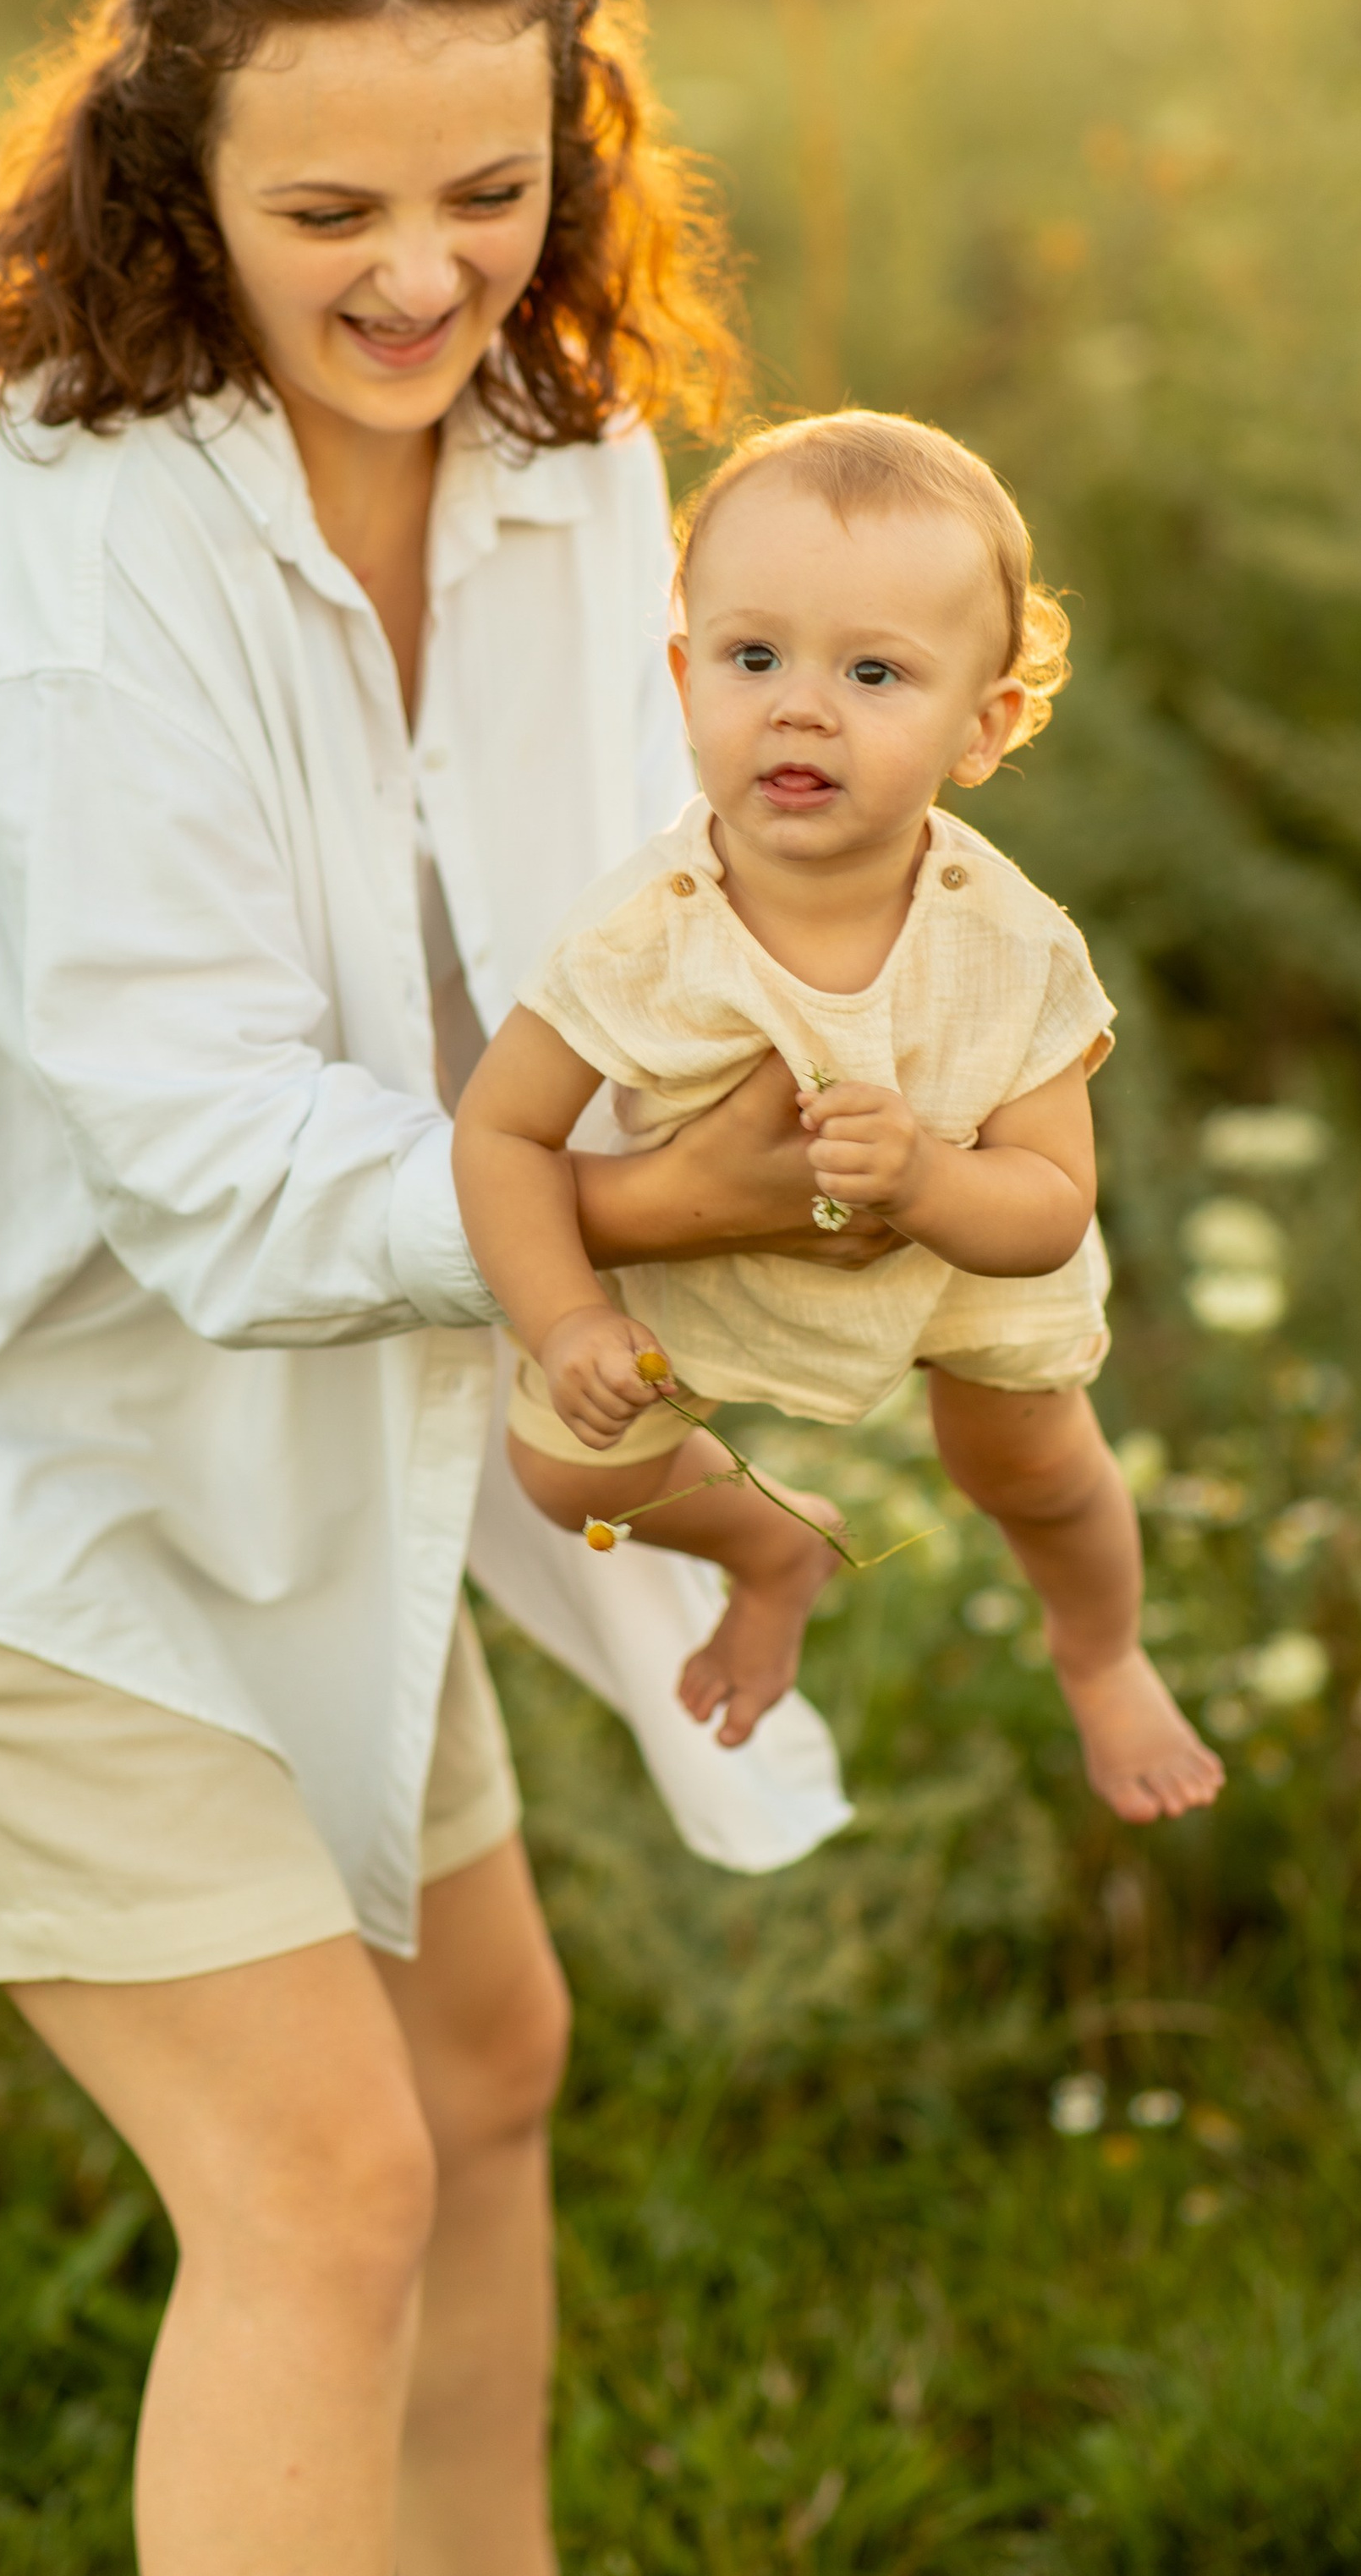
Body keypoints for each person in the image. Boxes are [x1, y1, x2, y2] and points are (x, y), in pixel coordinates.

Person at [0, 0, 881, 2576]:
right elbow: (213, 1166)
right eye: (328, 203)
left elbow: (603, 953)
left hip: (311, 1423)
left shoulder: (572, 452)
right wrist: (626, 1213)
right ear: (165, 162)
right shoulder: (74, 567)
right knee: (320, 2171)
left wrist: (775, 1249)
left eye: (488, 185)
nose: (421, 274)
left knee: (482, 2064)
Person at [453, 413, 1226, 1825]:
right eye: (754, 659)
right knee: (565, 1470)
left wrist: (931, 1180)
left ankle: (1102, 1653)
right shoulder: (639, 936)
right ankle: (774, 1552)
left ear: (982, 727)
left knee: (1031, 1463)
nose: (801, 708)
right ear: (684, 681)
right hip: (711, 1250)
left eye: (874, 672)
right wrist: (567, 1318)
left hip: (965, 1244)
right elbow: (498, 1136)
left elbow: (1050, 1207)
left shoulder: (1013, 943)